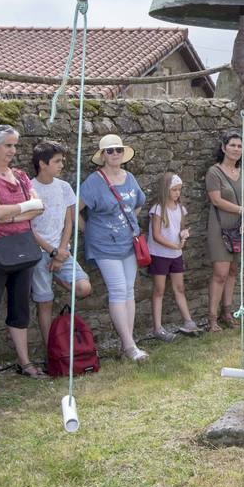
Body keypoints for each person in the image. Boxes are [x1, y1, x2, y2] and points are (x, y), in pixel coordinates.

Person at [0, 124, 48, 390]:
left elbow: (38, 207)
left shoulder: (22, 176)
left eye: (15, 145)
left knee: (20, 308)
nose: (13, 151)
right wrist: (19, 211)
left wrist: (10, 214)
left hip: (22, 247)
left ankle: (24, 362)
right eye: (8, 145)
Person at [79, 134, 149, 362]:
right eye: (110, 151)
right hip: (103, 245)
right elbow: (73, 209)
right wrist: (87, 230)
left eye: (118, 150)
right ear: (102, 155)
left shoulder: (129, 178)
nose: (115, 154)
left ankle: (126, 343)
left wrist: (128, 223)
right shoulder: (94, 181)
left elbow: (137, 204)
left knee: (129, 290)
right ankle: (130, 346)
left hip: (128, 243)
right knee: (119, 290)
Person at [29, 141, 93, 345]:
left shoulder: (64, 187)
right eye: (57, 161)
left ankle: (54, 274)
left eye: (62, 161)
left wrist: (61, 250)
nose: (61, 165)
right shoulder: (29, 188)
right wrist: (51, 251)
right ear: (42, 163)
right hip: (39, 252)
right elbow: (27, 228)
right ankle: (51, 348)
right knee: (45, 302)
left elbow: (68, 222)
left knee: (83, 288)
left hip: (61, 252)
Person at [206, 132, 244, 331]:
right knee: (220, 273)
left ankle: (228, 312)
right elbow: (216, 200)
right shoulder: (214, 172)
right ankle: (212, 318)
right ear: (224, 148)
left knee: (234, 271)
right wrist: (243, 210)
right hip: (220, 227)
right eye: (232, 145)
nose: (236, 149)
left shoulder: (243, 173)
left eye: (239, 146)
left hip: (241, 227)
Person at [149, 171, 201, 339]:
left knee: (179, 288)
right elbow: (156, 236)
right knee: (159, 290)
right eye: (174, 190)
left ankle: (188, 321)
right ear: (166, 190)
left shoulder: (180, 208)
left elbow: (179, 229)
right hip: (160, 254)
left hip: (175, 254)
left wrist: (184, 234)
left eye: (179, 190)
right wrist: (174, 245)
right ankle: (158, 328)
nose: (177, 193)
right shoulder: (158, 209)